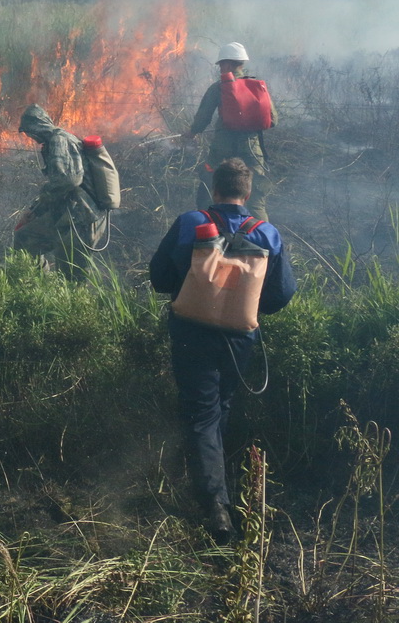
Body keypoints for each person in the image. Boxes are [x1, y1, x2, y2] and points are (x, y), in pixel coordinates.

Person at [149, 157, 296, 543]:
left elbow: (159, 278)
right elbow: (281, 295)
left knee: (201, 414)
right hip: (238, 338)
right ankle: (219, 486)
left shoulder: (189, 222)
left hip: (191, 332)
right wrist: (242, 300)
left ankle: (216, 507)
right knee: (221, 406)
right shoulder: (267, 233)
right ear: (247, 194)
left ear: (214, 189)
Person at [182, 42, 277, 221]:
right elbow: (273, 120)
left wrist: (192, 132)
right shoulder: (257, 87)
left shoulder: (218, 88)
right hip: (252, 153)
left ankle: (207, 236)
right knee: (256, 201)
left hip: (221, 152)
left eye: (220, 65)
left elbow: (203, 117)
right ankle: (262, 241)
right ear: (242, 63)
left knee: (208, 192)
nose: (220, 69)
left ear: (227, 64)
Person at [14, 104, 107, 279]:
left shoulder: (59, 140)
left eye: (29, 131)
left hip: (82, 218)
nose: (30, 136)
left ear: (37, 126)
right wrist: (35, 210)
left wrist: (40, 204)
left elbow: (68, 180)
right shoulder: (54, 142)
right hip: (66, 215)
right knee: (25, 238)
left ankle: (74, 304)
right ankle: (37, 287)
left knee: (71, 276)